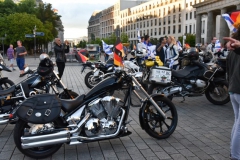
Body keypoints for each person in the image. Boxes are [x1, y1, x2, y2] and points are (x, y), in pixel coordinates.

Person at [223, 35, 240, 160]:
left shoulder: (232, 52)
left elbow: (228, 71)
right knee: (238, 126)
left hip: (233, 90)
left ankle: (233, 153)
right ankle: (235, 155)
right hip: (238, 90)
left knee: (237, 123)